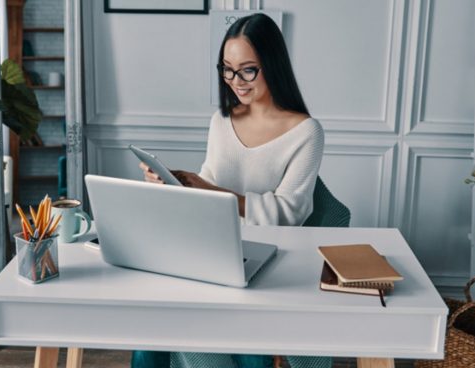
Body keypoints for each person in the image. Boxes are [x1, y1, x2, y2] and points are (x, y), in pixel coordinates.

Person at [135, 13, 330, 368]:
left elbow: (290, 213)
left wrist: (213, 190)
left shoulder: (307, 132)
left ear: (272, 64)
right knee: (149, 339)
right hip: (211, 251)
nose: (235, 81)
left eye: (247, 70)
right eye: (227, 69)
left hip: (266, 261)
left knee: (241, 353)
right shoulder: (221, 120)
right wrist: (177, 184)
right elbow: (209, 181)